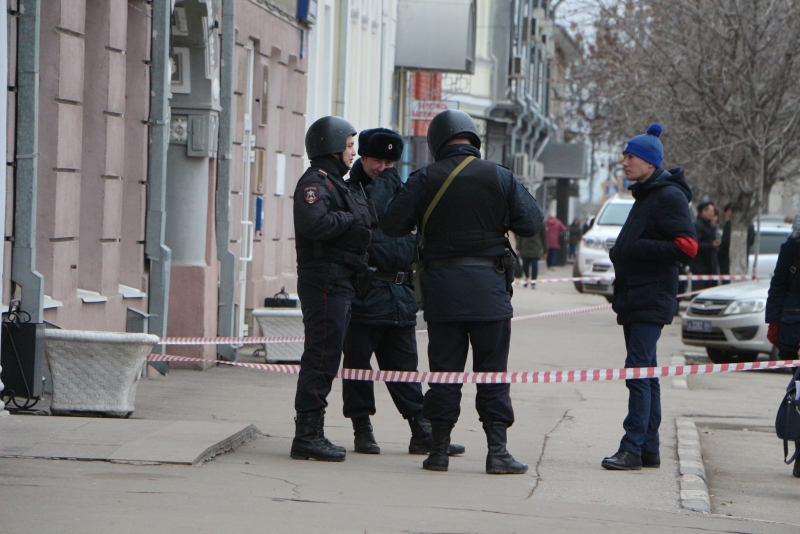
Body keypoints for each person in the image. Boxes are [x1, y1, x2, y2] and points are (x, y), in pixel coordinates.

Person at [381, 110, 544, 474]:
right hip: (490, 292)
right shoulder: (500, 176)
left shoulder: (425, 178)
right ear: (473, 139)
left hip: (442, 293)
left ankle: (438, 451)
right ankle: (497, 453)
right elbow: (531, 223)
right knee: (492, 372)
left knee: (444, 371)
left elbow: (392, 224)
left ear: (438, 142)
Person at [341, 127, 464, 457]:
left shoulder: (404, 189)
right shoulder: (348, 190)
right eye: (377, 160)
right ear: (363, 157)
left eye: (390, 162)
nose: (383, 167)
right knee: (357, 366)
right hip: (364, 291)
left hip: (399, 293)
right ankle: (361, 427)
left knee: (404, 366)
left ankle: (420, 428)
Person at [601, 123, 698, 471]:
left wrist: (636, 248)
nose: (625, 162)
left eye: (631, 157)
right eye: (625, 156)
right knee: (646, 373)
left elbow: (687, 246)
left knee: (637, 373)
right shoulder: (646, 195)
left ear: (649, 162)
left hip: (650, 298)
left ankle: (631, 448)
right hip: (635, 297)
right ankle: (648, 448)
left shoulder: (668, 196)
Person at [290, 116, 378, 462]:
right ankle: (308, 435)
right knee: (321, 357)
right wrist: (349, 220)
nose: (354, 153)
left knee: (328, 356)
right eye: (350, 145)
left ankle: (312, 431)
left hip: (340, 280)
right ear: (332, 145)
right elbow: (315, 223)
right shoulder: (315, 183)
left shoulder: (336, 184)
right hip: (323, 281)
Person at [765, 214, 800, 478]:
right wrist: (773, 322)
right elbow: (778, 285)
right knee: (799, 394)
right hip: (793, 327)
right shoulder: (792, 247)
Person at [691, 201, 720, 289]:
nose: (712, 214)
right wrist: (711, 245)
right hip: (700, 267)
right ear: (703, 211)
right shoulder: (697, 226)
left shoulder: (710, 226)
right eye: (710, 211)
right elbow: (695, 245)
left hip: (710, 267)